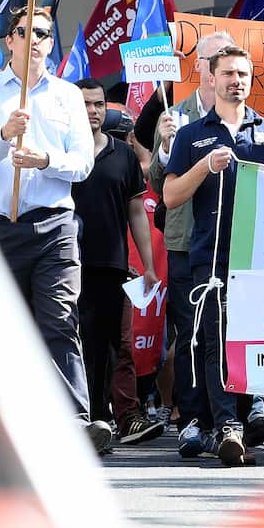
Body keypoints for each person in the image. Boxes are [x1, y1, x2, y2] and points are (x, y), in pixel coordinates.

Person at [0, 6, 111, 451]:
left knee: (61, 319)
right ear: (10, 41)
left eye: (42, 33)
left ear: (50, 42)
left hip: (54, 226)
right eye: (24, 31)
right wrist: (4, 136)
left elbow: (83, 165)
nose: (33, 39)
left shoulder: (67, 96)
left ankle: (77, 420)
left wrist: (45, 160)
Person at [163, 45, 264, 466]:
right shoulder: (191, 134)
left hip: (259, 256)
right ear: (210, 77)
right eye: (227, 74)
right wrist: (205, 166)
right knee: (215, 340)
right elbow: (170, 196)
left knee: (252, 337)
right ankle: (227, 426)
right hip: (211, 254)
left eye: (242, 74)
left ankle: (246, 414)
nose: (235, 80)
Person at [71, 79, 164, 447]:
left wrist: (148, 264)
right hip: (66, 265)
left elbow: (137, 212)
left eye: (97, 105)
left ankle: (116, 419)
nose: (92, 112)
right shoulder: (58, 152)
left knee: (114, 347)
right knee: (77, 346)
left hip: (112, 265)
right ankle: (86, 419)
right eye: (84, 104)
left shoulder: (123, 156)